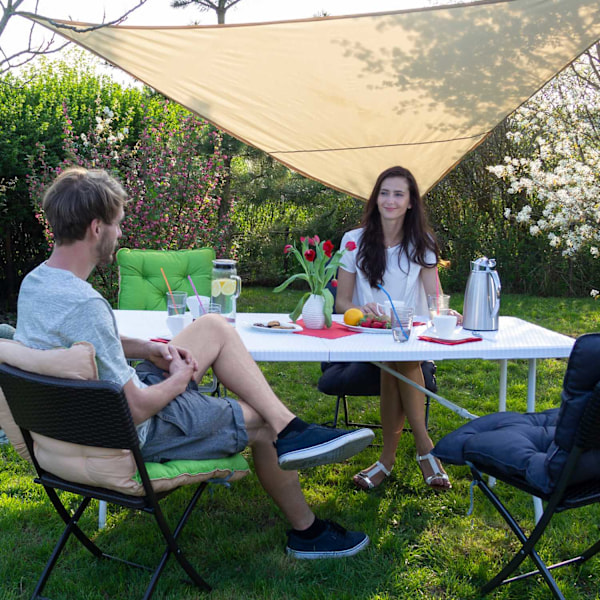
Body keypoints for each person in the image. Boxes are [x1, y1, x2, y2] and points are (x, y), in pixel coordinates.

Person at [15, 167, 375, 559]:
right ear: (96, 228)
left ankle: (292, 427)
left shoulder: (36, 284)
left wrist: (146, 349)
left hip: (75, 422)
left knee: (212, 326)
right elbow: (134, 409)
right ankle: (308, 531)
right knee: (259, 421)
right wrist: (181, 377)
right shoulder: (88, 304)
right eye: (118, 225)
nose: (121, 235)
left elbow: (78, 347)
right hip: (131, 432)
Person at [335, 166, 453, 492]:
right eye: (384, 193)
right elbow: (342, 303)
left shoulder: (423, 243)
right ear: (376, 199)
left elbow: (434, 301)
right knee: (395, 355)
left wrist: (445, 312)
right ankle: (425, 450)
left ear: (411, 202)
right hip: (363, 340)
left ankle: (386, 461)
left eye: (398, 194)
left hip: (409, 341)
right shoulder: (352, 241)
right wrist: (361, 311)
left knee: (398, 355)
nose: (390, 200)